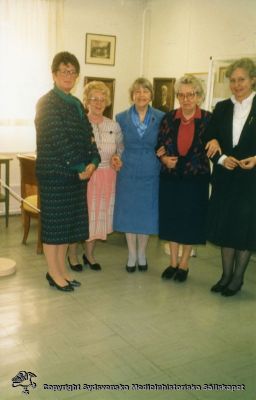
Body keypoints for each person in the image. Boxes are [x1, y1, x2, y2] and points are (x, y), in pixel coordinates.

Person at [35, 51, 101, 292]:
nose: (68, 75)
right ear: (54, 74)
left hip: (76, 176)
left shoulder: (76, 104)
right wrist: (80, 168)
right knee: (54, 228)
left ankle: (61, 271)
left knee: (66, 228)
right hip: (56, 175)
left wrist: (94, 159)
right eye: (63, 71)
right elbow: (58, 139)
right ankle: (53, 272)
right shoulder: (47, 103)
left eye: (72, 72)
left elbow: (89, 137)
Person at [156, 74, 219, 282]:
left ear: (198, 96)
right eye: (181, 95)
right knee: (172, 219)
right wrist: (164, 159)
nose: (186, 99)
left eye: (190, 94)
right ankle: (172, 262)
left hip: (196, 179)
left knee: (191, 222)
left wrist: (218, 142)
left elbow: (217, 142)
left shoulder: (209, 119)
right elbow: (158, 145)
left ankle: (184, 264)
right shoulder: (169, 117)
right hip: (171, 178)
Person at [206, 57, 256, 296]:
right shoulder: (222, 107)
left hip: (251, 179)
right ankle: (225, 275)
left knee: (244, 230)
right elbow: (209, 137)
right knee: (226, 226)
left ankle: (237, 278)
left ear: (253, 80)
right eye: (233, 80)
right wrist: (221, 156)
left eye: (242, 80)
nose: (237, 85)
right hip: (226, 177)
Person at [68, 81, 123, 271]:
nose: (99, 103)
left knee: (98, 218)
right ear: (86, 101)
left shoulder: (114, 126)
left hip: (107, 177)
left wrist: (117, 159)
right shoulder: (79, 123)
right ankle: (72, 255)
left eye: (102, 99)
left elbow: (120, 150)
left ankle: (90, 255)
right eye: (94, 99)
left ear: (107, 102)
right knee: (81, 217)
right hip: (86, 177)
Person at [113, 77, 165, 272]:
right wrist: (116, 158)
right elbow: (117, 145)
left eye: (145, 91)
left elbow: (167, 140)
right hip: (128, 169)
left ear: (151, 95)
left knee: (147, 213)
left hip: (151, 169)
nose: (141, 95)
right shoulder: (121, 117)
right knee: (129, 212)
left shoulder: (161, 117)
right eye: (137, 92)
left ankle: (142, 253)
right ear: (132, 95)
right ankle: (131, 254)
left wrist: (164, 150)